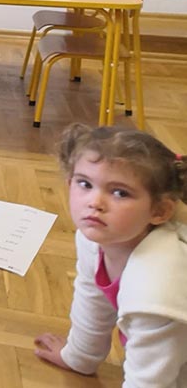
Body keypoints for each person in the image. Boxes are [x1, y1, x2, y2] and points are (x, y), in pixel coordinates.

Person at [33, 123, 187, 386]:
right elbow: (92, 297)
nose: (95, 203)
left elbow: (152, 381)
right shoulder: (97, 238)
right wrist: (79, 356)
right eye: (85, 184)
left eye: (119, 193)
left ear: (159, 211)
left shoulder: (159, 285)